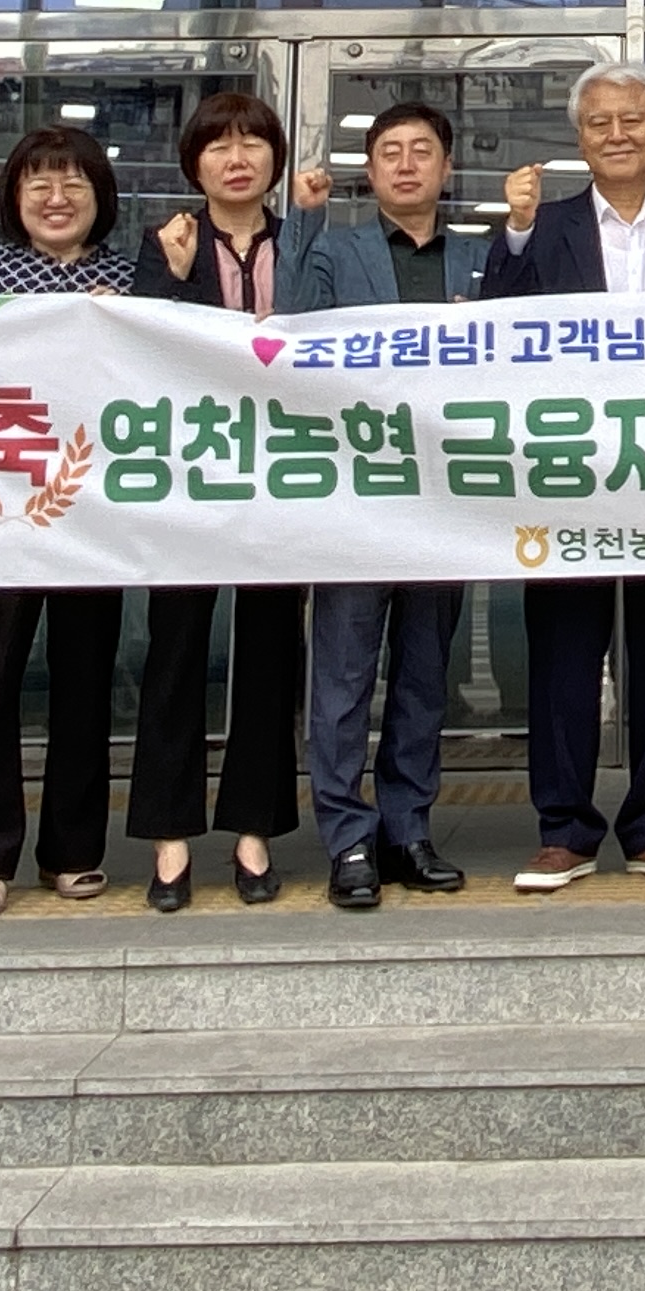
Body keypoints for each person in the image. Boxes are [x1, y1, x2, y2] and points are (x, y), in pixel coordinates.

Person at [479, 61, 645, 892]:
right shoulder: (546, 222)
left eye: (633, 120)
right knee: (564, 648)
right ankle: (563, 830)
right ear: (580, 137)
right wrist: (515, 229)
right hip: (571, 472)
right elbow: (498, 322)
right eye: (600, 122)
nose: (617, 134)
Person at [0, 125, 134, 920]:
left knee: (84, 678)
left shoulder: (129, 276)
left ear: (100, 197)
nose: (56, 197)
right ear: (14, 198)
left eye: (74, 182)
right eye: (38, 183)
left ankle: (74, 850)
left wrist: (130, 320)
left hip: (93, 510)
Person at [280, 99, 488, 911]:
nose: (406, 164)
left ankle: (408, 828)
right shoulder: (337, 249)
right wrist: (303, 221)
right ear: (369, 172)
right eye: (390, 152)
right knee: (342, 676)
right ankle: (347, 838)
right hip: (356, 494)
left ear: (446, 167)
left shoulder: (476, 259)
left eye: (421, 150)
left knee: (424, 676)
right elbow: (290, 328)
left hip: (444, 498)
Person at [128, 89, 312, 912]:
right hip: (190, 473)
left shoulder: (302, 241)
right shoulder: (165, 242)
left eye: (252, 143)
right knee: (174, 650)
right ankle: (169, 836)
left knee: (271, 651)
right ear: (193, 164)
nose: (237, 159)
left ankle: (253, 830)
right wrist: (170, 279)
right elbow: (143, 350)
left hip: (284, 473)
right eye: (218, 146)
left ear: (274, 157)